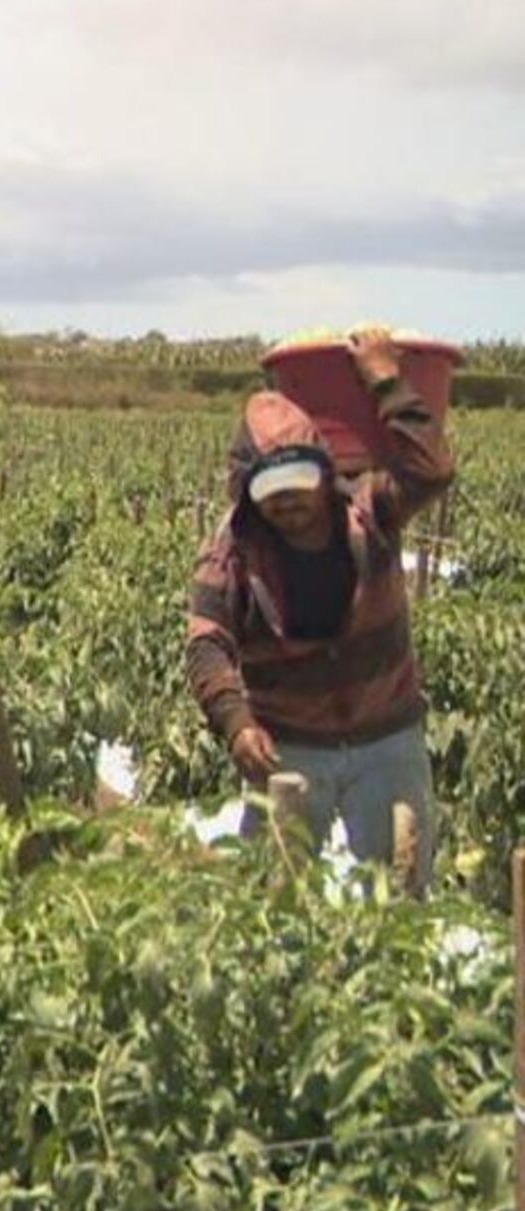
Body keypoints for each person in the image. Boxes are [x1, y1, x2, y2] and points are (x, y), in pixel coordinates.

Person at [186, 326, 454, 891]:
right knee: (274, 905)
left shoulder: (367, 512)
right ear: (248, 492)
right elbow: (206, 640)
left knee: (399, 900)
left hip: (387, 741)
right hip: (290, 749)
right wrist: (236, 724)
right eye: (269, 488)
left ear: (323, 471)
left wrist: (385, 378)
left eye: (298, 480)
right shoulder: (233, 548)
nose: (287, 501)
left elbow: (431, 472)